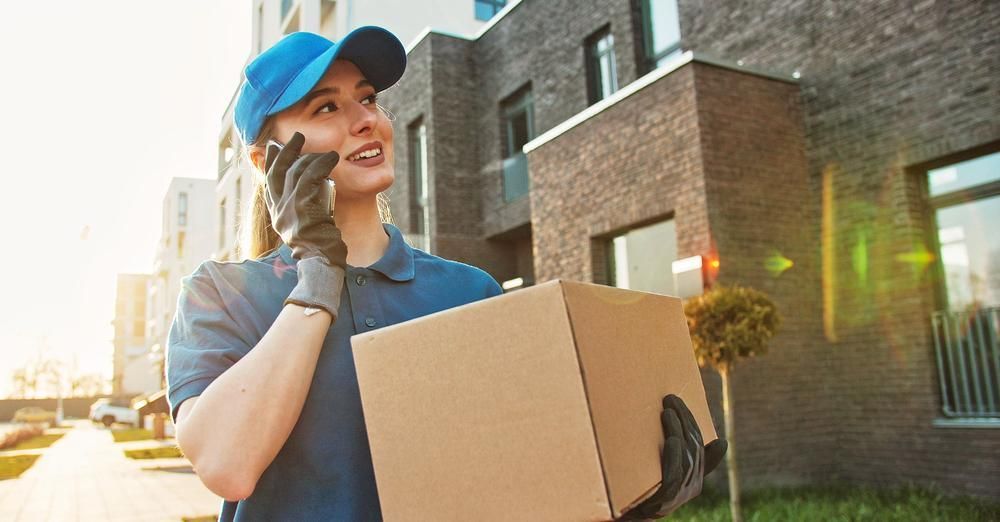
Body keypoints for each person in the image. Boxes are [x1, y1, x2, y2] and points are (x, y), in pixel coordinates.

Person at [166, 26, 725, 521]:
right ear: (268, 161)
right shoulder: (220, 295)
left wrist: (628, 493)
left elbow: (518, 480)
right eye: (326, 108)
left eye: (368, 98)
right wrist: (317, 276)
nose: (366, 120)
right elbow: (228, 466)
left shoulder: (468, 292)